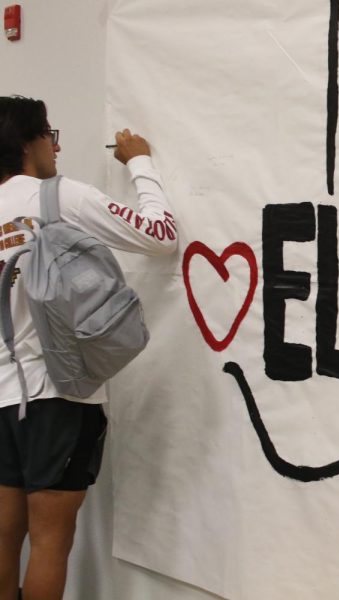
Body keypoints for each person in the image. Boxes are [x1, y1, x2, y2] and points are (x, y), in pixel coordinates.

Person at [0, 96, 177, 600]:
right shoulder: (57, 196)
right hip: (59, 394)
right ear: (29, 143)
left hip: (0, 398)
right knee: (51, 542)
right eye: (49, 135)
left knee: (4, 539)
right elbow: (161, 236)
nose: (54, 147)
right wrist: (139, 161)